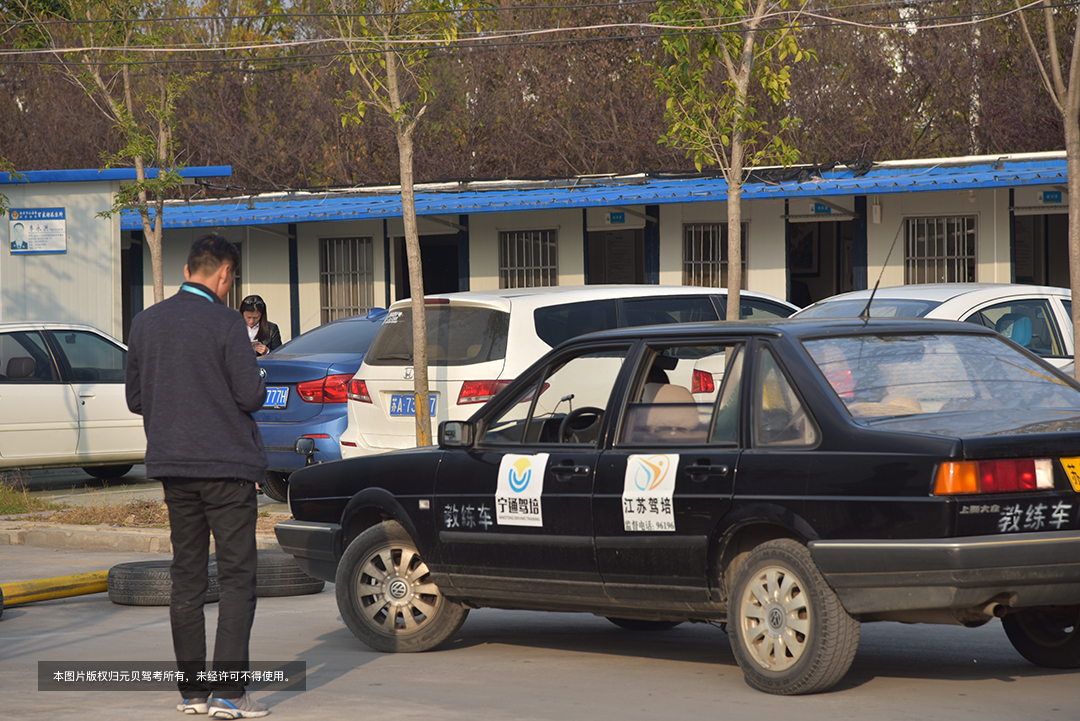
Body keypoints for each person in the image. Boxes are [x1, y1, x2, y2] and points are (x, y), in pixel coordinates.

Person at [125, 234, 270, 719]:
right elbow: (250, 396)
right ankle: (229, 693)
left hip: (172, 466)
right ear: (224, 274)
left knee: (186, 577)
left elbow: (135, 399)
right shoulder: (228, 323)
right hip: (227, 468)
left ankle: (192, 694)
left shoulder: (145, 323)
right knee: (235, 578)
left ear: (189, 269)